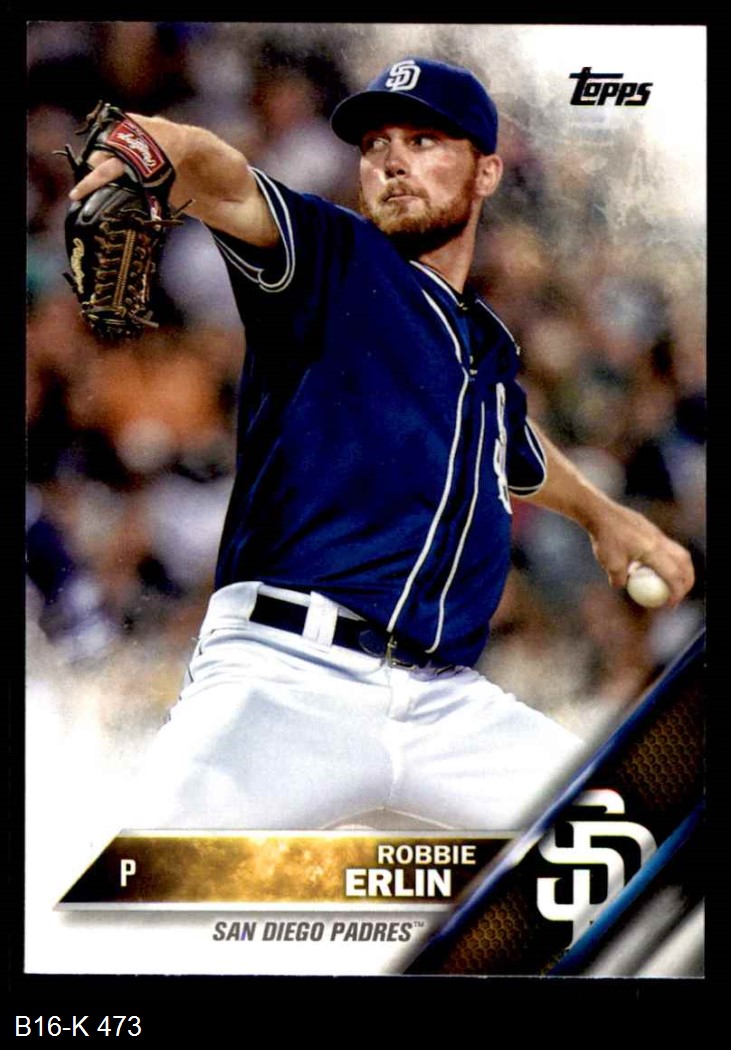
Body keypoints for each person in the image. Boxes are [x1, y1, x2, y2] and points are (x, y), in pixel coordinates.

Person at [69, 57, 694, 831]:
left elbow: (505, 435)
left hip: (444, 705)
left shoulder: (481, 344)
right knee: (149, 885)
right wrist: (150, 144)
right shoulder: (330, 257)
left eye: (423, 140)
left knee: (634, 839)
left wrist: (605, 517)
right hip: (286, 676)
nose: (391, 160)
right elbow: (220, 179)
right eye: (375, 145)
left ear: (486, 171)